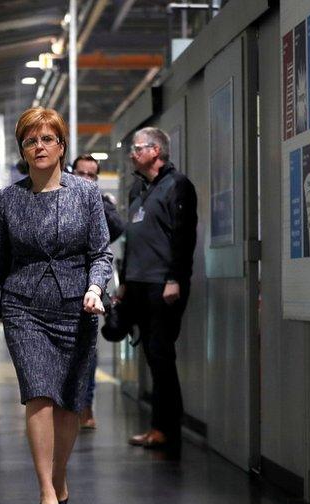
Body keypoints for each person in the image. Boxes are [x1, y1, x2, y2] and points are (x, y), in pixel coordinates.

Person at [0, 107, 112, 504]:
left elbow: (101, 253)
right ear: (22, 149)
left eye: (47, 139)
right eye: (31, 141)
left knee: (70, 401)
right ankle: (46, 492)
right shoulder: (8, 199)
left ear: (61, 146)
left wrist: (95, 287)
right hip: (24, 307)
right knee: (38, 393)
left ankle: (59, 475)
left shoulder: (87, 194)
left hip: (77, 306)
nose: (39, 147)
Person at [120, 127, 198, 452]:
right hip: (138, 285)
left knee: (161, 357)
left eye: (137, 148)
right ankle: (157, 427)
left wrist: (174, 278)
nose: (131, 154)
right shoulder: (138, 189)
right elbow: (131, 239)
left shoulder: (177, 185)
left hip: (162, 286)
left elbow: (184, 236)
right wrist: (124, 282)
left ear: (155, 151)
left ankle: (167, 430)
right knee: (152, 357)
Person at [70, 155, 125, 430]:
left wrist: (99, 204)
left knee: (88, 351)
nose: (86, 179)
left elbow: (116, 229)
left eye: (92, 175)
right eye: (81, 173)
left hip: (91, 288)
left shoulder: (101, 204)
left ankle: (86, 405)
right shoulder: (60, 196)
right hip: (61, 287)